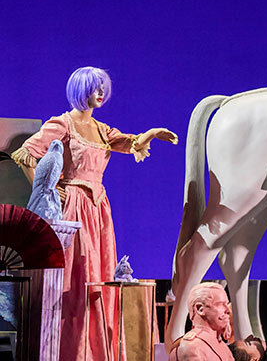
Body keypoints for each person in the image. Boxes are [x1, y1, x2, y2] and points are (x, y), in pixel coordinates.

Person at [12, 66, 178, 361]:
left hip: (99, 207)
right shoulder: (62, 123)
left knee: (100, 274)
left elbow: (129, 142)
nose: (100, 93)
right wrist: (49, 187)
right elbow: (27, 153)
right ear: (80, 90)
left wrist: (151, 133)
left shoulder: (102, 129)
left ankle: (97, 348)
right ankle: (71, 351)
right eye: (94, 87)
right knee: (77, 276)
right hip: (74, 204)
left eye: (103, 88)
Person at [169, 282, 234, 360]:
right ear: (200, 309)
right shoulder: (192, 346)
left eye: (226, 304)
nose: (228, 310)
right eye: (220, 304)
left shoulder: (222, 346)